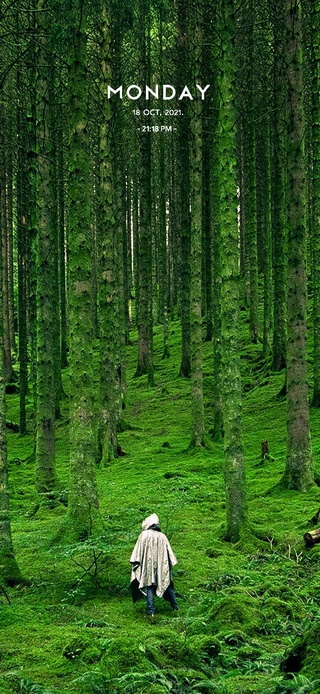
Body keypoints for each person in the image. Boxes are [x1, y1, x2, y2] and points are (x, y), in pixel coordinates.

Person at [130, 513, 179, 616]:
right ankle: (175, 607)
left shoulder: (143, 535)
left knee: (149, 585)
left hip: (147, 566)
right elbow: (169, 553)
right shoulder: (163, 536)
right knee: (167, 584)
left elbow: (137, 552)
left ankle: (151, 611)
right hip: (161, 566)